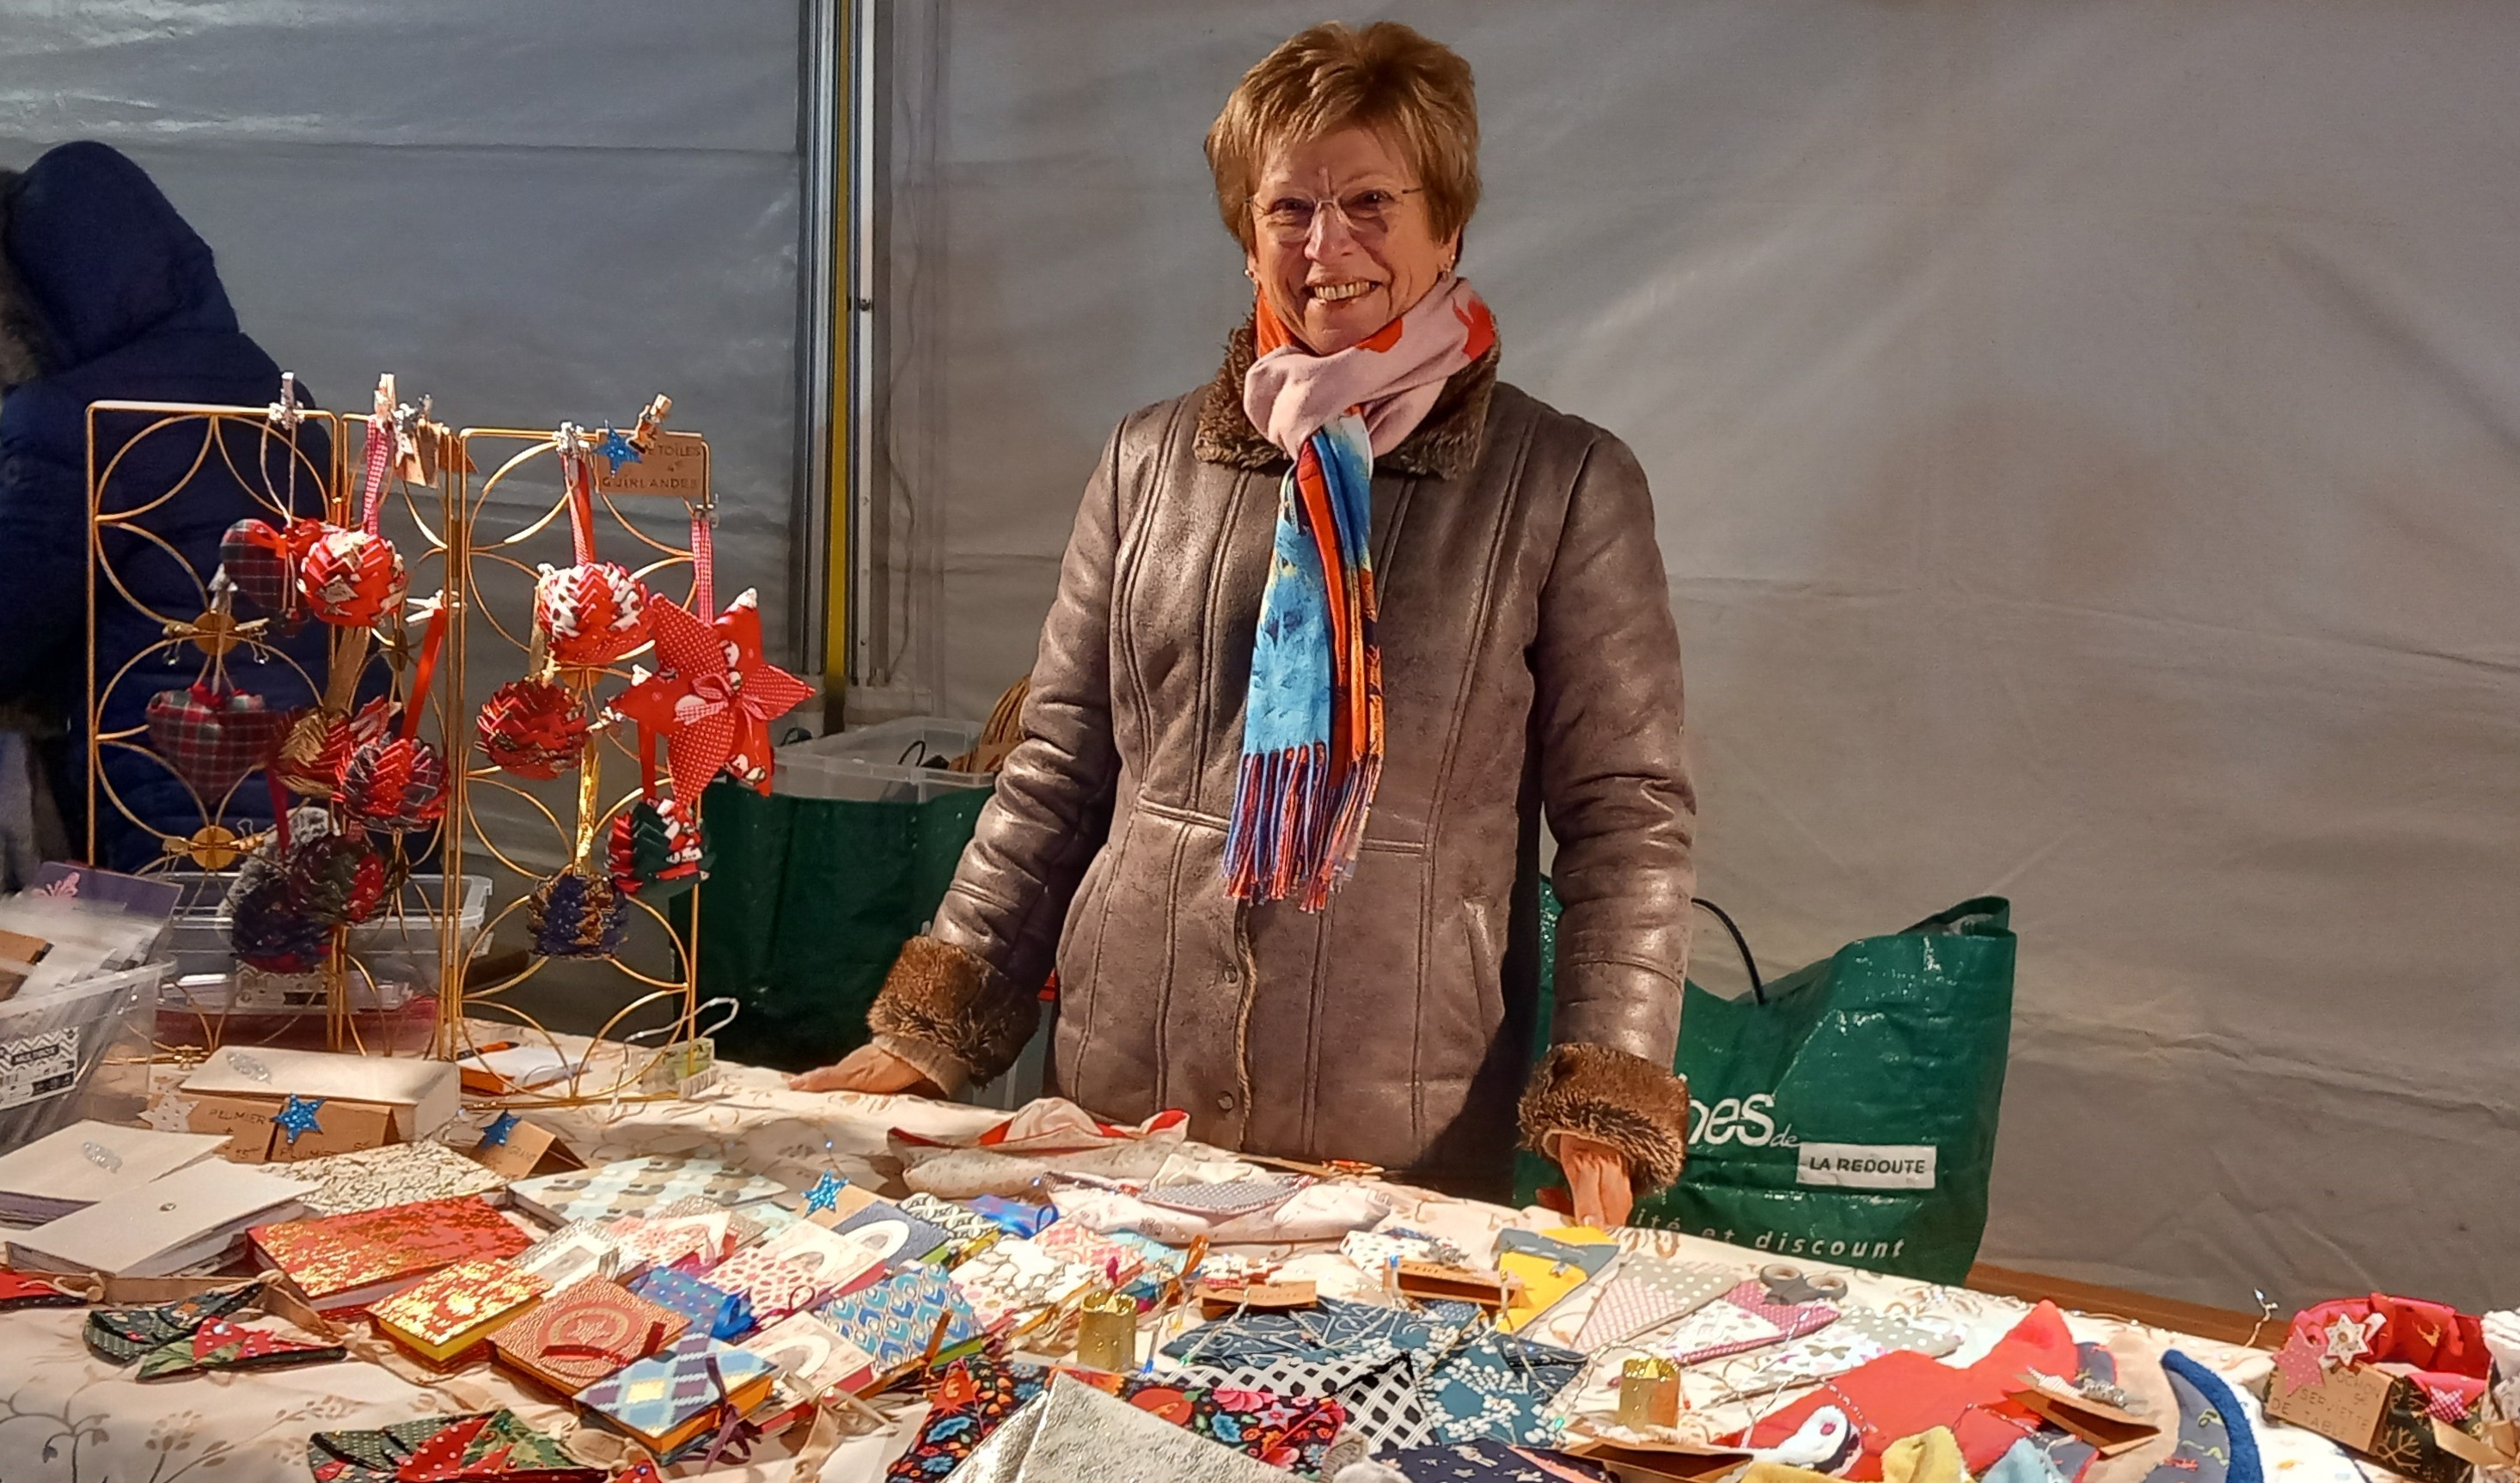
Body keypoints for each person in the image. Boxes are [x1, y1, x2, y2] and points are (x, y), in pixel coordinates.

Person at [793, 21, 1696, 1225]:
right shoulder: (1145, 460)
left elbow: (1627, 817)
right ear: (1245, 234)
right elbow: (1058, 770)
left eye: (1370, 201)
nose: (1328, 244)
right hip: (1119, 1090)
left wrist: (1605, 1103)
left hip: (1402, 1118)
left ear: (1448, 226)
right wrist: (932, 1025)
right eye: (1289, 209)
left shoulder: (1563, 482)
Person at [0, 142, 324, 869]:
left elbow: (13, 616)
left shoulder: (72, 419)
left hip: (173, 792)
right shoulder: (269, 387)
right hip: (318, 770)